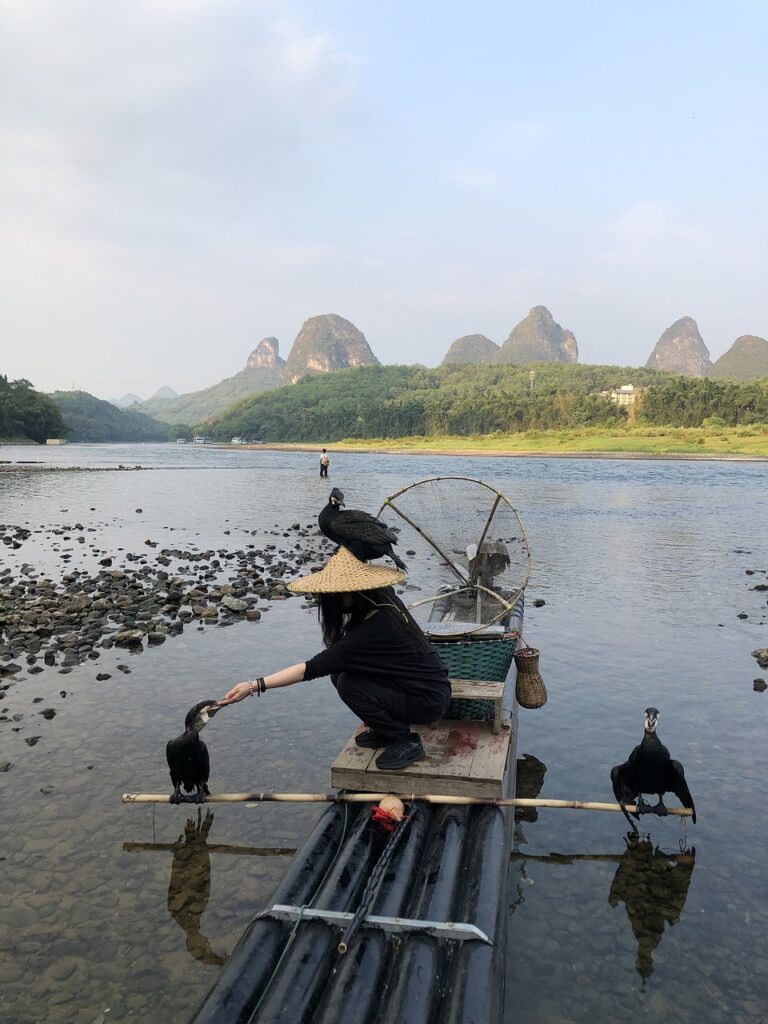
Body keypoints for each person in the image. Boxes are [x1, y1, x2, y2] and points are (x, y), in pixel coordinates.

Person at [217, 547, 450, 770]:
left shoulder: (370, 632)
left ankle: (404, 740)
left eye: (333, 595)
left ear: (350, 593)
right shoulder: (381, 597)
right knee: (339, 673)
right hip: (426, 687)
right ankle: (386, 728)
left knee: (349, 684)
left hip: (427, 701)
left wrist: (253, 685)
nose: (330, 601)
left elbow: (309, 669)